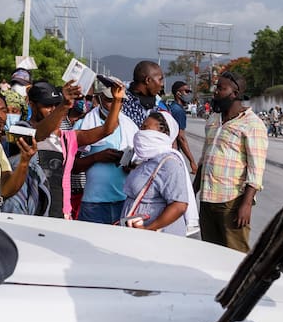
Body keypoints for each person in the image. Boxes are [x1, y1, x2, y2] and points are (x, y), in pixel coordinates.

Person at [194, 71, 268, 252]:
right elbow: (204, 159)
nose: (215, 92)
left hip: (231, 202)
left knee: (235, 256)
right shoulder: (213, 119)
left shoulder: (252, 124)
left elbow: (256, 170)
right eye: (216, 87)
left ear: (235, 93)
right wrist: (191, 191)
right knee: (210, 253)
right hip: (207, 199)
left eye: (221, 88)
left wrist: (246, 205)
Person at [31, 79, 123, 219]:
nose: (53, 110)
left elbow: (107, 130)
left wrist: (117, 100)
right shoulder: (24, 131)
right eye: (47, 105)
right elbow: (39, 134)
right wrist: (64, 105)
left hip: (61, 211)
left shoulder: (68, 138)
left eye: (56, 105)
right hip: (33, 209)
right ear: (31, 105)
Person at [120, 111, 197, 236]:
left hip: (158, 235)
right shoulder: (146, 159)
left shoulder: (169, 163)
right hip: (138, 232)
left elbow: (179, 205)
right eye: (141, 127)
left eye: (146, 128)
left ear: (163, 134)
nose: (141, 132)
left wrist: (149, 229)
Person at [73, 76, 138, 224]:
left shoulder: (130, 127)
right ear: (99, 99)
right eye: (110, 100)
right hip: (93, 204)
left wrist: (130, 165)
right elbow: (72, 166)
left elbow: (140, 164)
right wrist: (96, 157)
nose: (115, 104)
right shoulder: (83, 126)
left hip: (123, 201)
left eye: (119, 100)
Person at [121, 61, 168, 129]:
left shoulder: (159, 104)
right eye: (160, 80)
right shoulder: (122, 103)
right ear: (148, 80)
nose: (162, 84)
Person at [168, 81, 198, 174]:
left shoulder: (172, 107)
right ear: (178, 93)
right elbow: (181, 137)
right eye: (186, 91)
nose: (189, 94)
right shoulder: (178, 111)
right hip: (172, 152)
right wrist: (192, 161)